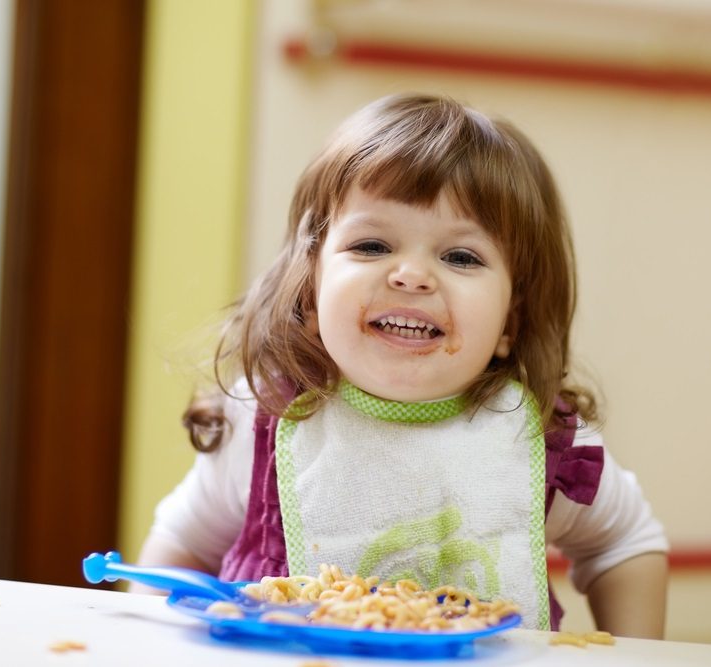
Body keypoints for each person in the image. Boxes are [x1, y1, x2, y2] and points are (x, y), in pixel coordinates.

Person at [134, 93, 668, 638]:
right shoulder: (265, 418)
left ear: (512, 319)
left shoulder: (542, 441)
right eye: (370, 245)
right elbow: (184, 545)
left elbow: (626, 543)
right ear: (310, 291)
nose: (412, 275)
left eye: (461, 256)